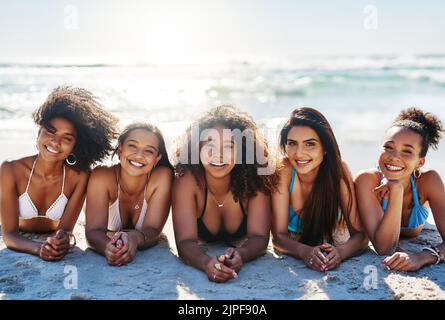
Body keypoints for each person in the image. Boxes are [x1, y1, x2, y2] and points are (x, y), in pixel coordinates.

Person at [0, 86, 118, 261]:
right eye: (50, 131)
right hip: (20, 238)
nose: (56, 142)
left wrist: (61, 241)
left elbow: (65, 231)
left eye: (67, 138)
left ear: (74, 146)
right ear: (39, 131)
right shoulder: (10, 170)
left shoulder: (79, 177)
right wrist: (38, 248)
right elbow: (9, 235)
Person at [172, 105, 278, 282]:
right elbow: (185, 242)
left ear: (242, 150)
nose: (218, 154)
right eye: (209, 144)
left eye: (229, 146)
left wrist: (242, 254)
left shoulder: (253, 179)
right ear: (197, 148)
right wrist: (206, 263)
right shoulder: (187, 181)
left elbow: (259, 237)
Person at [271, 107, 368, 272]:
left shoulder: (338, 171)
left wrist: (341, 252)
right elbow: (278, 238)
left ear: (325, 147)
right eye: (292, 143)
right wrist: (304, 251)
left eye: (310, 144)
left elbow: (361, 235)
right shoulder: (284, 169)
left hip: (335, 237)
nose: (299, 153)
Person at [355, 108, 445, 271]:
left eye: (407, 151)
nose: (394, 156)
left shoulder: (428, 180)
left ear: (420, 162)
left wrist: (422, 257)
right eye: (388, 147)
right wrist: (396, 190)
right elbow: (384, 248)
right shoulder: (367, 180)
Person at [85, 123, 173, 266]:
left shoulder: (162, 177)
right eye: (132, 146)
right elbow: (94, 231)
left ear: (157, 158)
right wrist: (108, 248)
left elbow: (154, 229)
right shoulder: (102, 176)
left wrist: (134, 239)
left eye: (149, 151)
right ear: (120, 148)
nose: (139, 155)